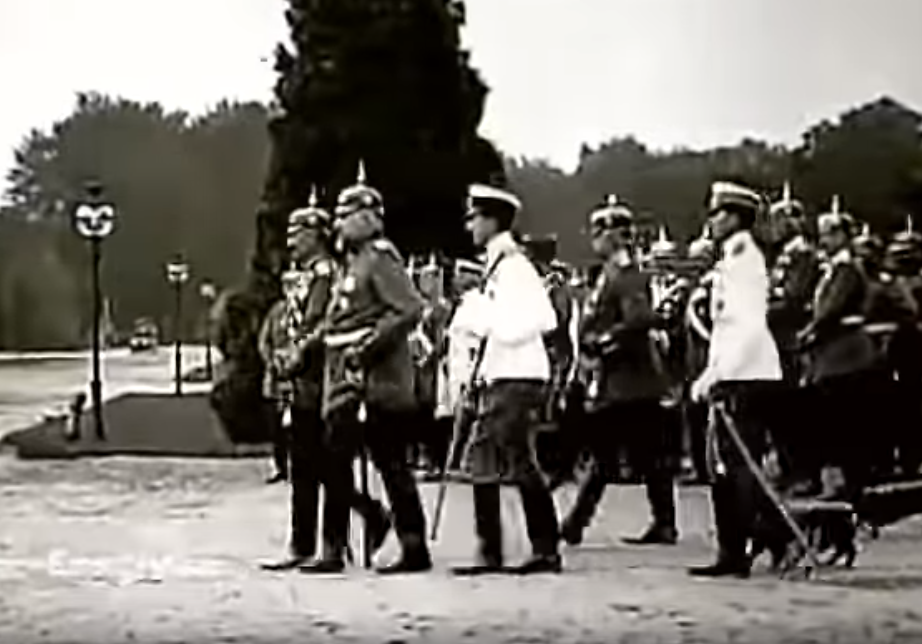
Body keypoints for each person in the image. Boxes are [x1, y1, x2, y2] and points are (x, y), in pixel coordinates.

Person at [301, 163, 432, 575]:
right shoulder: (351, 262)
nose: (338, 223)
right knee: (334, 460)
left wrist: (370, 346)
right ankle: (335, 545)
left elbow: (408, 309)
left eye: (345, 215)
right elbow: (337, 320)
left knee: (390, 463)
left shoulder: (380, 258)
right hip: (344, 377)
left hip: (376, 378)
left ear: (367, 218)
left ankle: (413, 544)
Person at [260, 193, 392, 572]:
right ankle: (309, 540)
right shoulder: (305, 276)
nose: (291, 241)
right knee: (305, 466)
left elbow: (324, 325)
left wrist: (300, 350)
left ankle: (332, 540)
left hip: (322, 379)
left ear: (315, 235)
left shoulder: (326, 274)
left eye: (297, 233)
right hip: (301, 379)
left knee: (325, 464)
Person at [450, 183, 563, 576]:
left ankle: (531, 548)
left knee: (505, 458)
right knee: (497, 458)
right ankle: (505, 548)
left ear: (492, 221)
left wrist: (484, 316)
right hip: (502, 374)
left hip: (518, 374)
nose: (469, 226)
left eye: (474, 218)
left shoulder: (514, 267)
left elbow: (542, 318)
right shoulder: (498, 265)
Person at [559, 195, 679, 547]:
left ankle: (576, 522)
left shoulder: (626, 274)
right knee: (634, 455)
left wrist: (603, 343)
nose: (594, 239)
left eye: (599, 232)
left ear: (614, 235)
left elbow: (638, 320)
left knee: (614, 455)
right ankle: (662, 522)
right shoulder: (610, 273)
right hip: (617, 379)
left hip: (630, 377)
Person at [688, 181, 782, 579]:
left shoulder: (745, 261)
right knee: (724, 468)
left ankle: (766, 537)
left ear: (735, 217)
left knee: (738, 468)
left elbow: (748, 327)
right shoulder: (731, 259)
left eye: (717, 213)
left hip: (748, 373)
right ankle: (734, 549)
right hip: (736, 372)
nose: (711, 221)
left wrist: (717, 375)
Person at [798, 208, 879, 500]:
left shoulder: (847, 269)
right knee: (835, 419)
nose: (824, 240)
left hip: (846, 352)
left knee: (845, 419)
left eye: (831, 234)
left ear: (844, 236)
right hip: (832, 353)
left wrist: (809, 332)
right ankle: (844, 479)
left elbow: (832, 309)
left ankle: (853, 482)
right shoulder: (831, 269)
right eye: (823, 234)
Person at [257, 292, 292, 484]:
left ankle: (300, 466)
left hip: (298, 376)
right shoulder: (276, 311)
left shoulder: (309, 310)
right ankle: (281, 467)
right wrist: (271, 360)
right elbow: (264, 341)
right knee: (276, 426)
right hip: (275, 378)